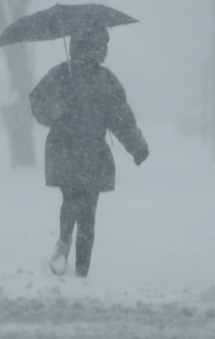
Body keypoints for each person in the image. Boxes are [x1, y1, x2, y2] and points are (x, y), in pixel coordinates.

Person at [29, 26, 149, 278]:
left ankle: (65, 246)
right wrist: (137, 146)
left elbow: (37, 102)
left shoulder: (61, 74)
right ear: (90, 48)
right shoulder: (104, 80)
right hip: (90, 154)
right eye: (102, 46)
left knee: (73, 201)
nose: (105, 51)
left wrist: (54, 110)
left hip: (64, 152)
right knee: (87, 213)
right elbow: (122, 120)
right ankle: (81, 269)